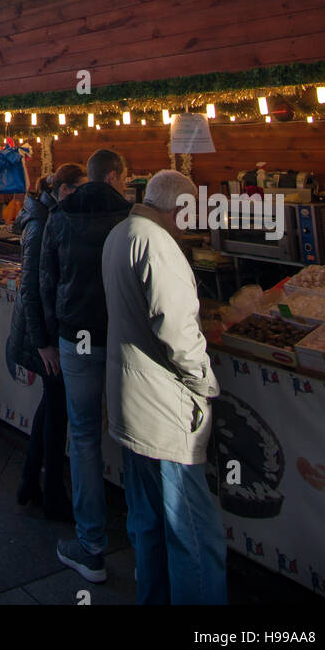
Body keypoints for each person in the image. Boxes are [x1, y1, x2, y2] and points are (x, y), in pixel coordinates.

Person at [102, 170, 227, 605]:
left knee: (148, 522)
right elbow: (176, 330)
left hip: (131, 403)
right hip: (167, 410)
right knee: (192, 533)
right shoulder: (158, 244)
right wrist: (203, 383)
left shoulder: (120, 232)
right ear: (178, 208)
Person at [40, 147, 131, 584]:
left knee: (84, 438)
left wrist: (46, 339)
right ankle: (146, 540)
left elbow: (45, 280)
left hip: (75, 337)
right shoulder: (132, 218)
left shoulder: (60, 217)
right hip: (123, 337)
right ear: (113, 177)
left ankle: (92, 546)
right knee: (135, 436)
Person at [7, 164, 85, 521]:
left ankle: (29, 482)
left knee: (51, 406)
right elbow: (32, 287)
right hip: (46, 335)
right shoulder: (41, 224)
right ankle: (52, 493)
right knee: (57, 413)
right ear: (65, 189)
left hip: (47, 332)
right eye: (80, 189)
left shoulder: (48, 215)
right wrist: (42, 343)